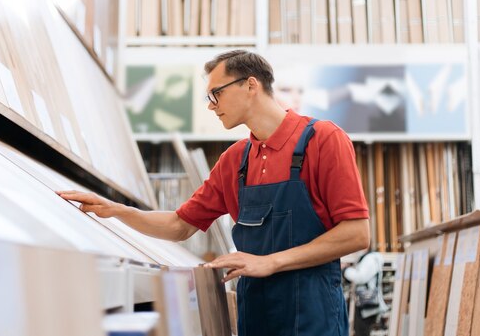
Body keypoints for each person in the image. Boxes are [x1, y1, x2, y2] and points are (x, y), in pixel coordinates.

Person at [58, 49, 370, 336]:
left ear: (250, 85)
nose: (210, 105)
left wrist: (271, 261)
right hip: (256, 316)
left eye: (215, 94)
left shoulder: (323, 140)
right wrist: (115, 210)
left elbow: (356, 234)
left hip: (313, 315)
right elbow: (180, 225)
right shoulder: (235, 161)